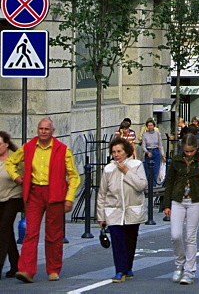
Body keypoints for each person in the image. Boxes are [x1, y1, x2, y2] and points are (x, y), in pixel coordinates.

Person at [6, 118, 81, 283]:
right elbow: (10, 162)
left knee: (54, 234)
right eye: (41, 128)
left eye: (47, 129)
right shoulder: (28, 147)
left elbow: (74, 176)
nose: (43, 131)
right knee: (30, 232)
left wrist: (69, 198)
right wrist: (17, 177)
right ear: (37, 130)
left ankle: (53, 269)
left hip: (55, 193)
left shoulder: (63, 150)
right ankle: (26, 270)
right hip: (34, 192)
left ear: (53, 131)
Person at [96, 137, 147, 283]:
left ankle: (127, 267)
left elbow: (141, 185)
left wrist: (126, 172)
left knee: (130, 241)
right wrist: (101, 216)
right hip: (114, 211)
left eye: (119, 151)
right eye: (114, 152)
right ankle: (120, 270)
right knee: (118, 241)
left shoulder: (136, 165)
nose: (116, 154)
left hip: (132, 211)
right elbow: (102, 193)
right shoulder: (108, 169)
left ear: (126, 152)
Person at [162, 133, 199, 285]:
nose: (189, 154)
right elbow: (170, 182)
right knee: (176, 235)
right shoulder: (176, 161)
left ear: (196, 149)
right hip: (178, 199)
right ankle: (179, 263)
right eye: (186, 151)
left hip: (195, 199)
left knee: (190, 237)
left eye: (192, 151)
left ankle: (189, 270)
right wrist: (166, 204)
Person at [0, 131, 23, 279]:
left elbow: (24, 177)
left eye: (0, 144)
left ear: (7, 144)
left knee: (3, 229)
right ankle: (16, 265)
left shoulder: (15, 159)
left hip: (14, 197)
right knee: (7, 230)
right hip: (0, 198)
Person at [139, 118, 165, 189]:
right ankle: (149, 185)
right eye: (148, 125)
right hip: (149, 151)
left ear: (154, 126)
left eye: (151, 125)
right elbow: (143, 146)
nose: (150, 127)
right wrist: (147, 152)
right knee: (148, 170)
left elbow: (160, 145)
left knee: (155, 170)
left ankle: (154, 185)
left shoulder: (157, 134)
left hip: (156, 152)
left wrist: (163, 155)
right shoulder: (145, 135)